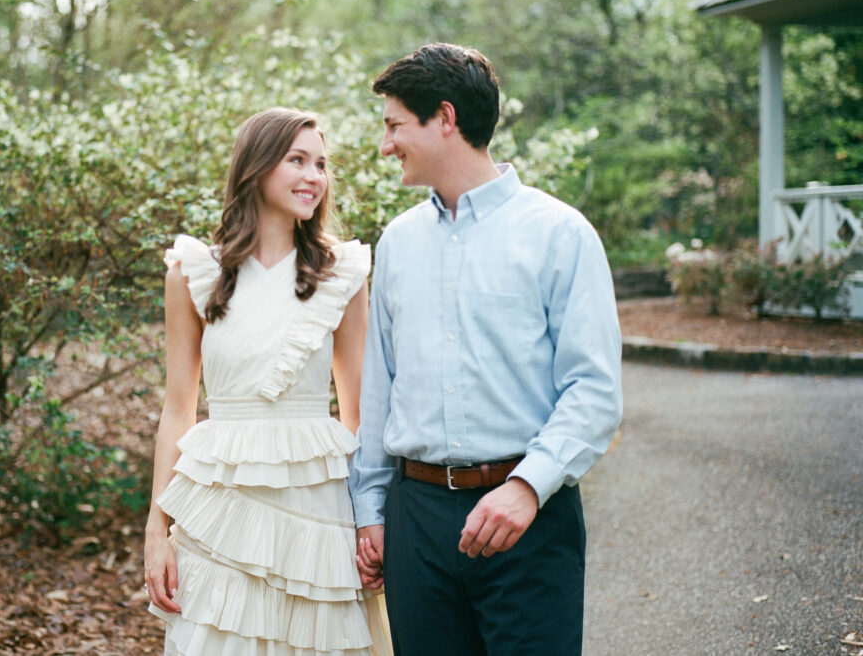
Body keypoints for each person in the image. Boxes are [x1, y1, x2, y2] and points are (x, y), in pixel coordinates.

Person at [349, 43, 623, 655]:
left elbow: (595, 389)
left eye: (394, 125)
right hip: (415, 523)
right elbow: (379, 385)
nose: (385, 144)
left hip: (530, 520)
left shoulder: (560, 234)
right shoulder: (396, 243)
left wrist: (527, 487)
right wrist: (370, 509)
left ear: (445, 119)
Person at [144, 107, 387, 655]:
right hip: (219, 510)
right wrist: (155, 532)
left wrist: (371, 518)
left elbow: (358, 412)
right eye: (297, 160)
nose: (313, 176)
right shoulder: (192, 273)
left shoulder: (341, 274)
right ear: (255, 167)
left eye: (321, 164)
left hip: (316, 509)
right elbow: (178, 409)